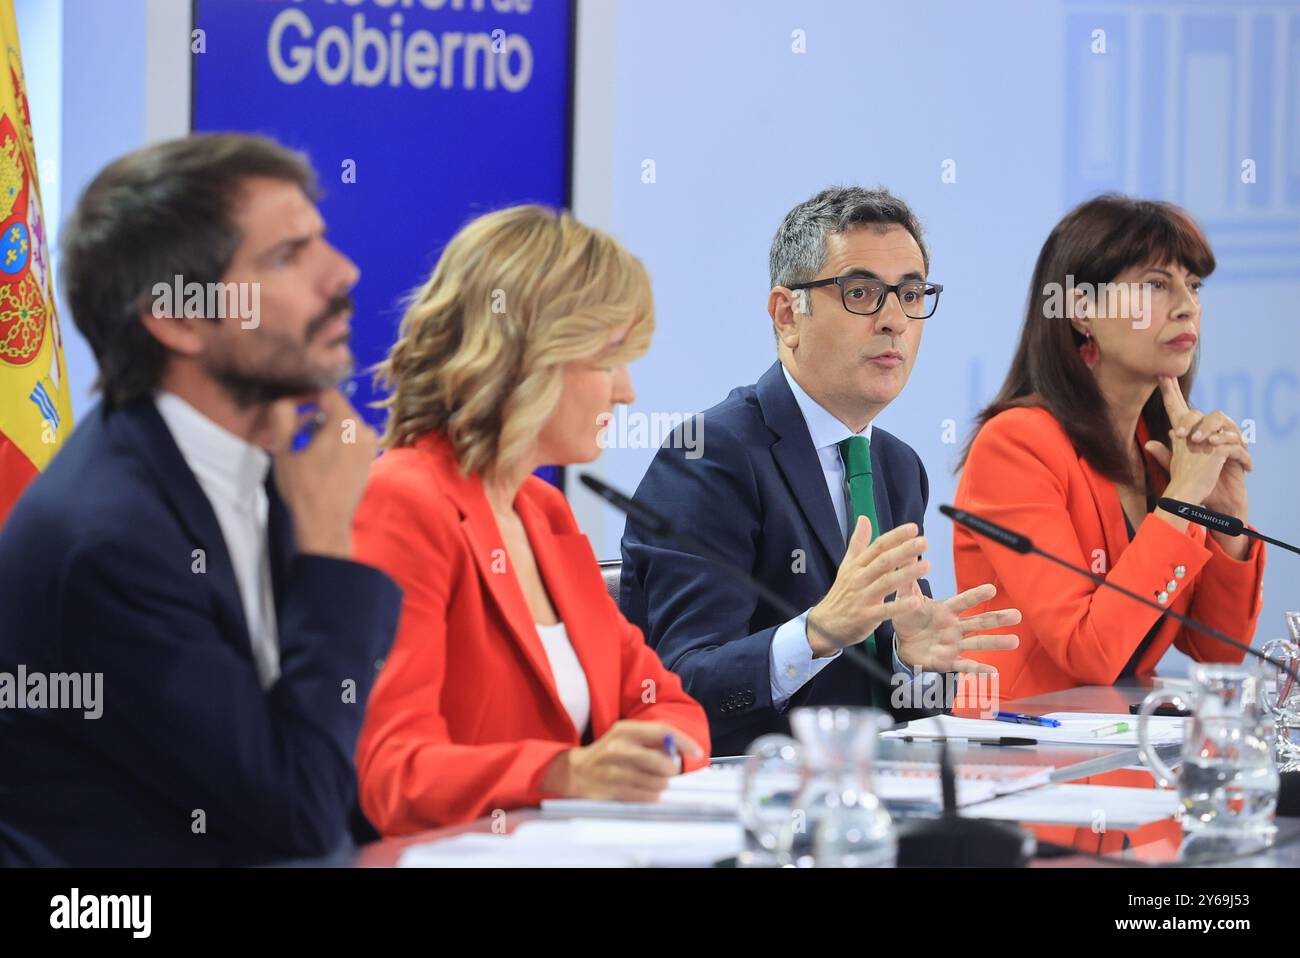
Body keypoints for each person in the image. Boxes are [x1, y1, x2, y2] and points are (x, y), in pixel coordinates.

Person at [0, 134, 401, 866]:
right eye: (287, 256)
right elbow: (296, 813)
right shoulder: (109, 540)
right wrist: (326, 545)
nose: (344, 273)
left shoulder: (263, 461)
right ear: (178, 318)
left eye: (322, 241)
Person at [620, 186, 1020, 757]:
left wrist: (909, 660)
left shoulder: (896, 466)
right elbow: (679, 683)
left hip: (865, 799)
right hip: (747, 805)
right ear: (788, 315)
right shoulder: (710, 455)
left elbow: (883, 706)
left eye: (910, 294)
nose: (894, 321)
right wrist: (816, 633)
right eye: (861, 293)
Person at [353, 205, 710, 834]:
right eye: (608, 360)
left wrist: (652, 756)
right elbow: (392, 773)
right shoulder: (402, 500)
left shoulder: (542, 510)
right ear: (527, 356)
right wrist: (565, 773)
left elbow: (668, 703)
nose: (626, 392)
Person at [953, 194, 1266, 699]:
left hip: (1123, 754)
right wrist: (1182, 500)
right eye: (1156, 285)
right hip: (1021, 756)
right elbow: (1088, 649)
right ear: (1081, 311)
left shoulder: (1161, 451)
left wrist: (1226, 521)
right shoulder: (1015, 445)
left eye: (1193, 285)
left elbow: (1219, 653)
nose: (1187, 307)